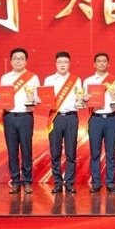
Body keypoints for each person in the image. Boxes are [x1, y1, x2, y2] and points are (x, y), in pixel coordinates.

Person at [82, 53, 115, 193]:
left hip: (111, 118)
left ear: (108, 63)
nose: (101, 63)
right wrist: (85, 99)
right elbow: (83, 103)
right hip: (95, 119)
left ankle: (110, 183)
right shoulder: (88, 81)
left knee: (111, 153)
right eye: (99, 61)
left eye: (104, 61)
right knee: (95, 152)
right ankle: (96, 183)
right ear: (94, 64)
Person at [0, 48, 39, 195]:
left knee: (26, 150)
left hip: (26, 117)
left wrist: (36, 99)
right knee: (12, 151)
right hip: (9, 117)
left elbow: (36, 98)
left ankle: (27, 182)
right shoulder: (5, 78)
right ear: (11, 61)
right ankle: (15, 181)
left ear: (26, 61)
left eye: (21, 58)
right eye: (15, 58)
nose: (18, 61)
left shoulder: (33, 77)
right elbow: (3, 96)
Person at [44, 51, 82, 194]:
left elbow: (79, 100)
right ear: (55, 64)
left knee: (71, 152)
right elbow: (46, 100)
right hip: (56, 117)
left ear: (69, 64)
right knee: (55, 152)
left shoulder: (76, 80)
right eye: (59, 62)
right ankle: (58, 182)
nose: (62, 65)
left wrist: (83, 100)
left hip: (71, 117)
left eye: (65, 62)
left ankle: (70, 182)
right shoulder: (48, 80)